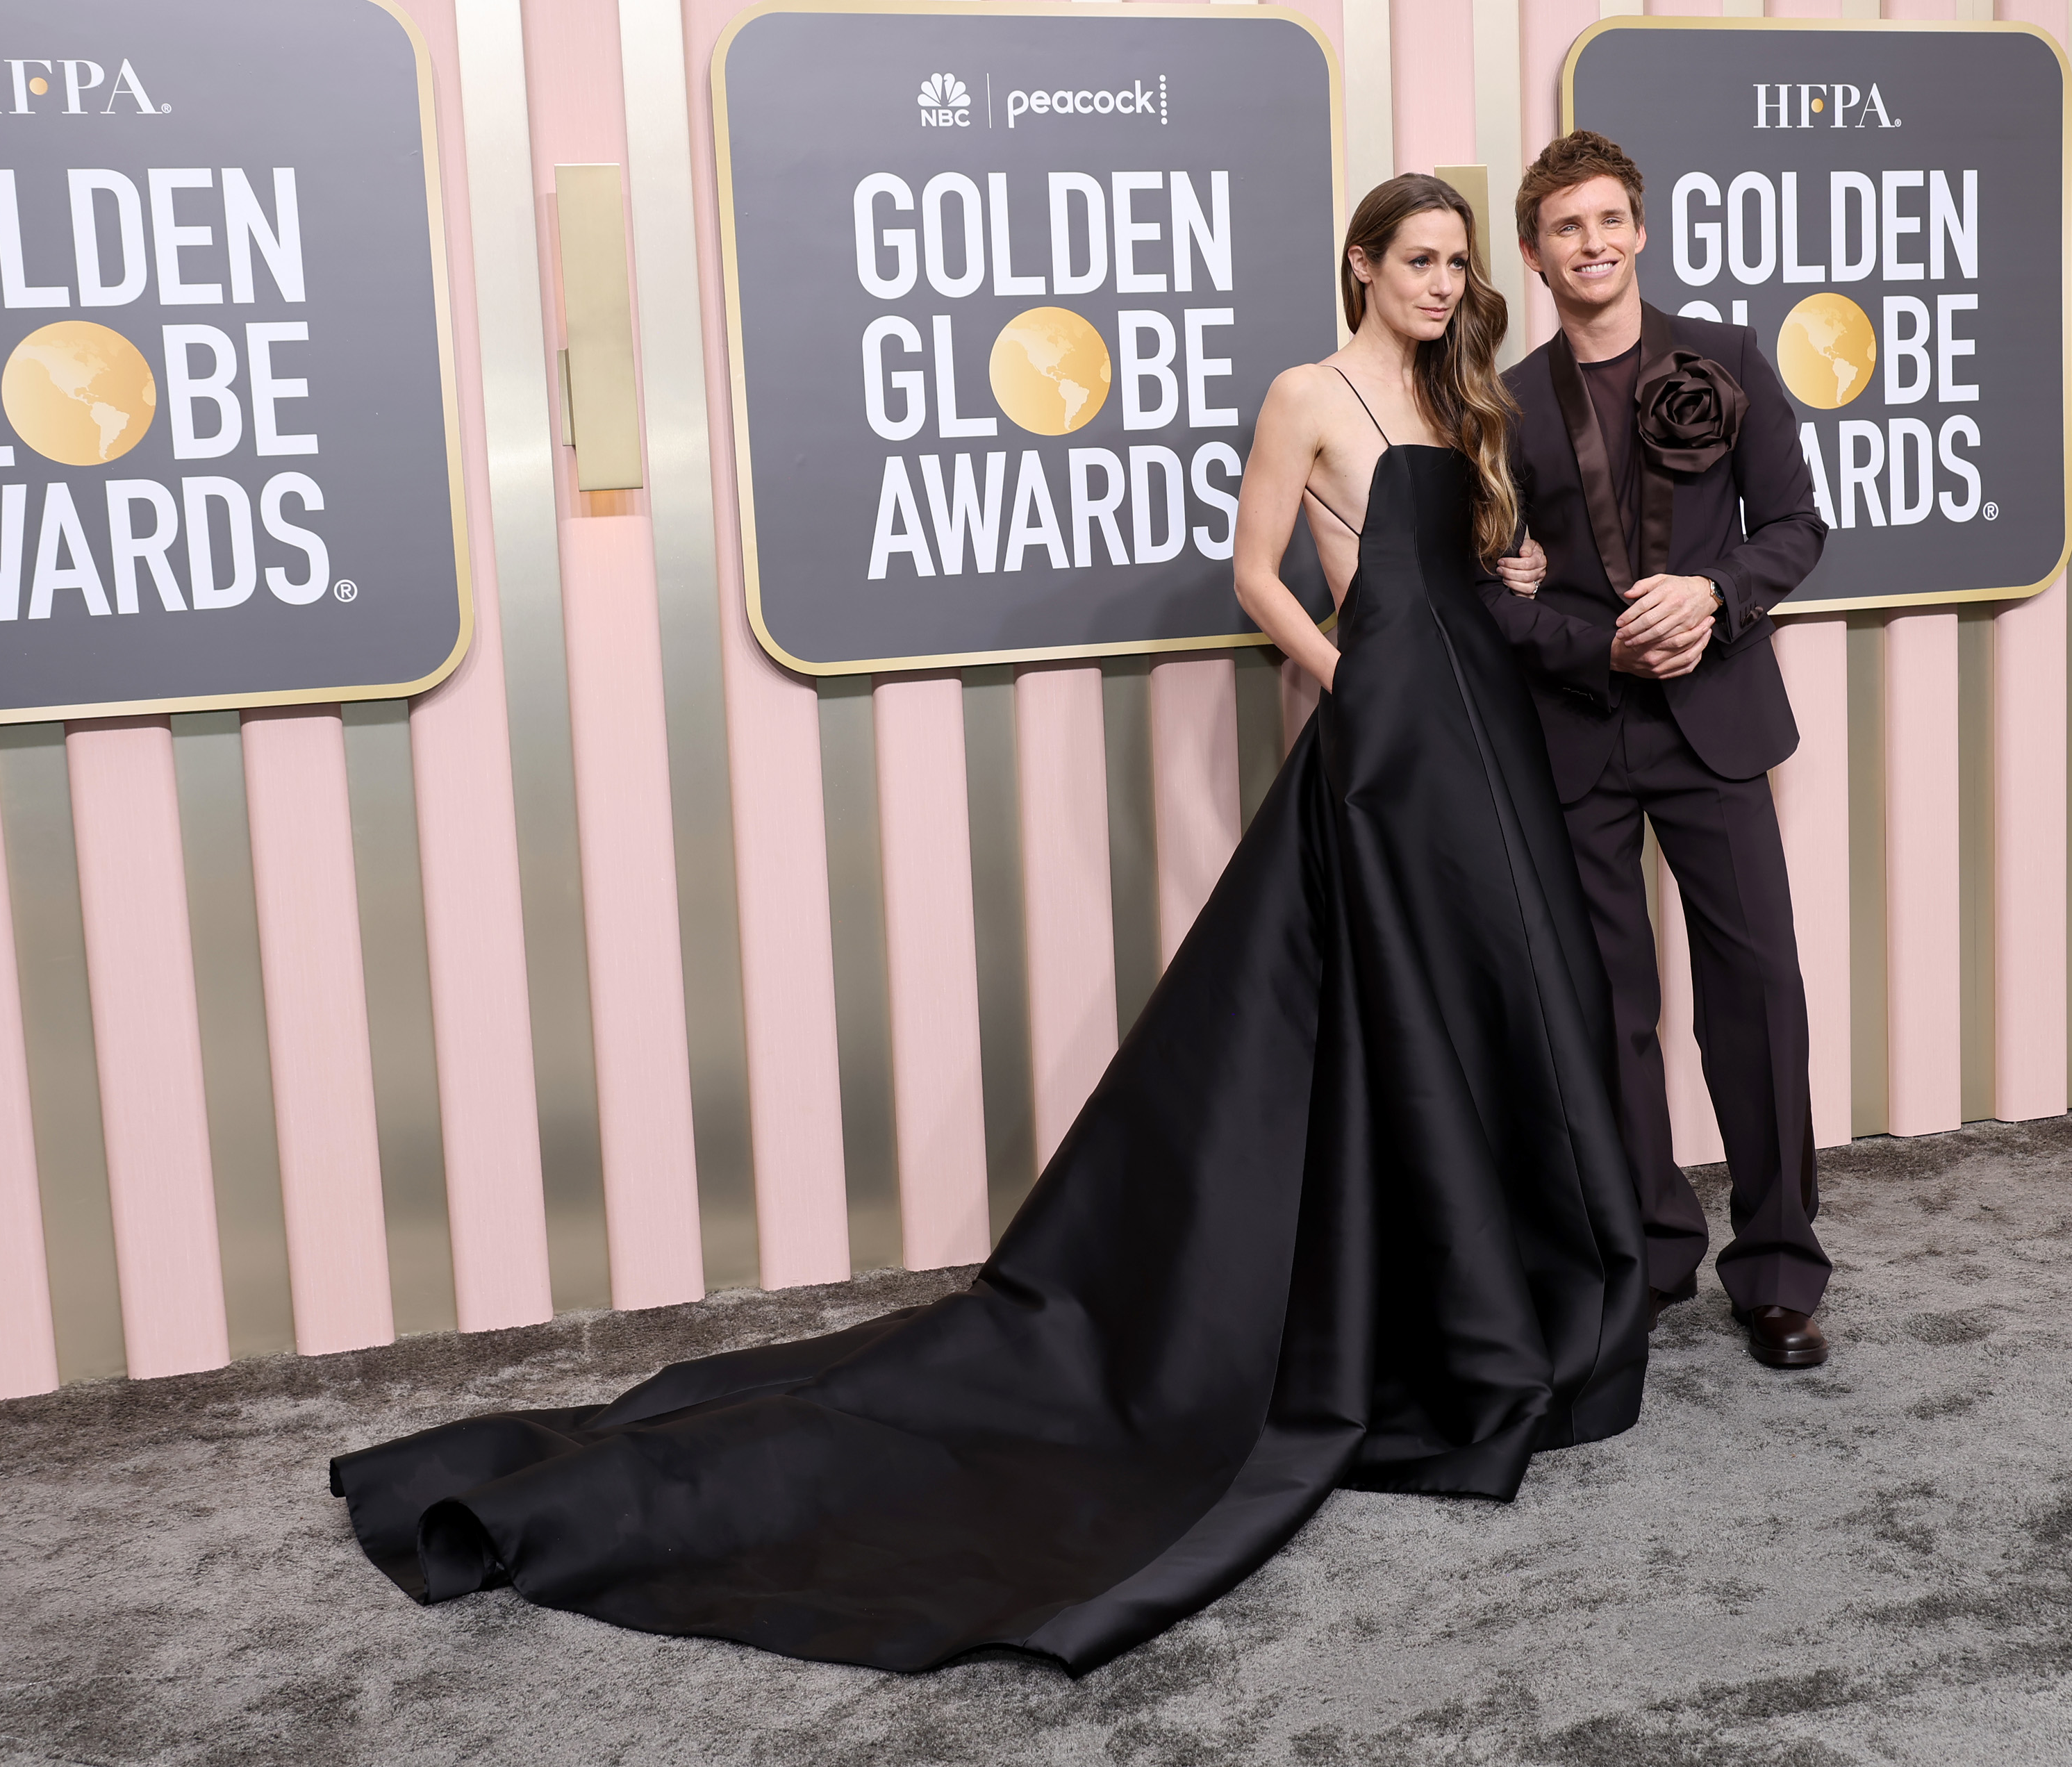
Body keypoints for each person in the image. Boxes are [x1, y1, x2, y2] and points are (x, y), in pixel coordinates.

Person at [327, 174, 1650, 1677]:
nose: (1440, 280)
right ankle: (1426, 1311)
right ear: (1359, 261)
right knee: (1393, 1017)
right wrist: (1341, 673)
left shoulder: (1460, 388)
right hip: (1391, 724)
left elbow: (1486, 553)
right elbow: (1252, 568)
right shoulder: (1309, 390)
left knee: (1503, 993)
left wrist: (1518, 564)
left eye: (1458, 262)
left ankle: (1507, 1281)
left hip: (1486, 716)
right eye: (1418, 258)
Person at [1476, 131, 1834, 1370]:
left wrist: (1715, 598)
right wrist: (1599, 648)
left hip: (1717, 726)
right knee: (1607, 1010)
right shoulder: (1505, 404)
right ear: (1535, 252)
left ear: (1640, 229)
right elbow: (1496, 597)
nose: (1593, 243)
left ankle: (1780, 1269)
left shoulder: (1727, 358)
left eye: (1610, 220)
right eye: (1567, 227)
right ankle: (1647, 1248)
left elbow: (1795, 526)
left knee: (1760, 995)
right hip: (1577, 740)